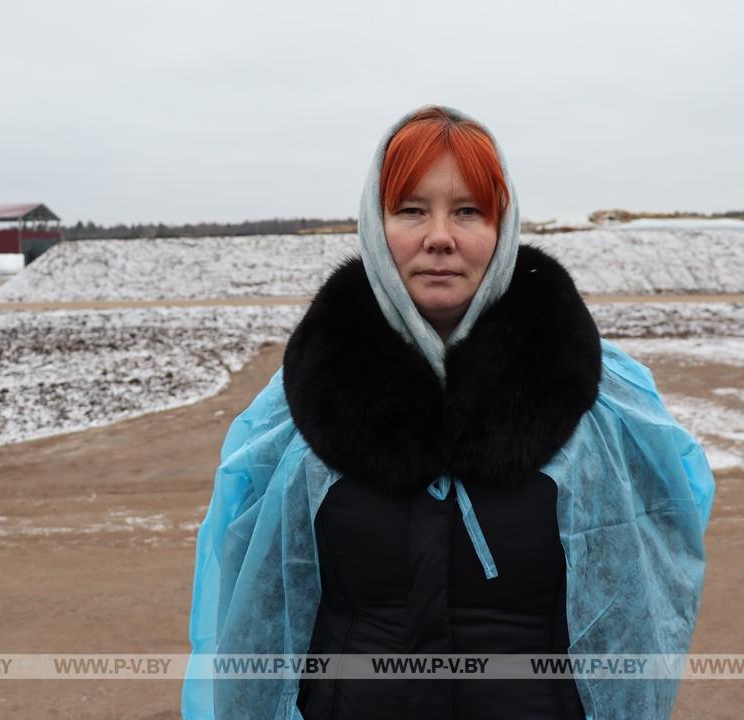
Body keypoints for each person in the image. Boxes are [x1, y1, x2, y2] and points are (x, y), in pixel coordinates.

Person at [183, 105, 716, 720]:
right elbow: (252, 614)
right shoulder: (294, 416)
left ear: (502, 225)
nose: (440, 236)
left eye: (467, 210)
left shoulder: (601, 404)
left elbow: (654, 583)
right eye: (412, 209)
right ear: (376, 224)